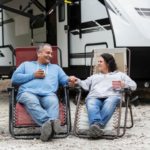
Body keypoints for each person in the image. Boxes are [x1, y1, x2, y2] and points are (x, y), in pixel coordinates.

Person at [11, 43, 74, 142]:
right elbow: (14, 78)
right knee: (31, 100)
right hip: (28, 93)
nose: (50, 55)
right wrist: (33, 75)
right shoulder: (26, 65)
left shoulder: (56, 68)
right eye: (47, 53)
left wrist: (70, 79)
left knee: (53, 101)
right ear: (39, 53)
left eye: (52, 54)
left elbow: (64, 79)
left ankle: (46, 132)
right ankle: (51, 123)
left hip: (49, 94)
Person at [71, 53, 137, 137]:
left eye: (100, 61)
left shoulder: (119, 75)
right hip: (94, 97)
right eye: (98, 61)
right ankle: (98, 126)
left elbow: (134, 85)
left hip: (112, 96)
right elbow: (85, 84)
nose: (98, 63)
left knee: (110, 101)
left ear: (108, 63)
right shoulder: (94, 76)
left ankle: (96, 126)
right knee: (91, 103)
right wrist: (78, 81)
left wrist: (125, 85)